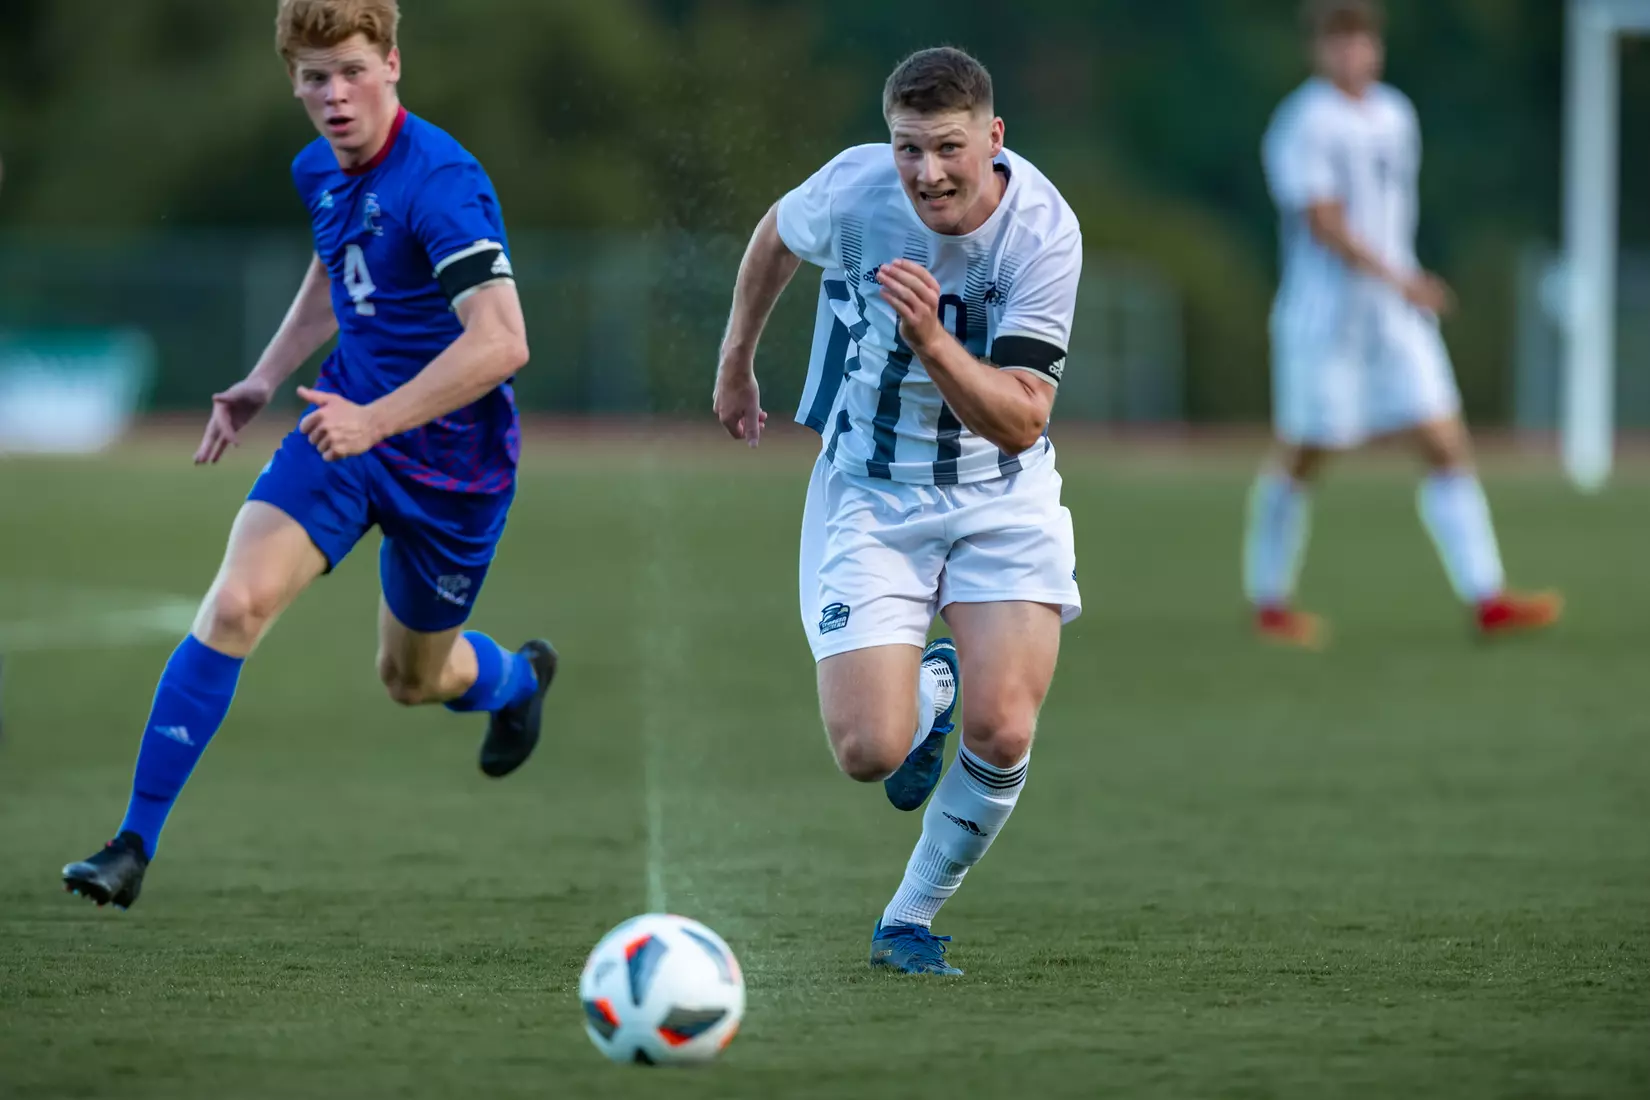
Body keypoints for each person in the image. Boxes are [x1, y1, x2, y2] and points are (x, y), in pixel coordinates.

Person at [62, 0, 555, 910]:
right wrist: (262, 377)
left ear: (394, 64)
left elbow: (502, 342)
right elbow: (338, 273)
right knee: (237, 602)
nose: (335, 97)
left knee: (411, 680)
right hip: (341, 433)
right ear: (293, 81)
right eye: (315, 79)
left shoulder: (442, 180)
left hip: (455, 468)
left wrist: (381, 421)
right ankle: (130, 844)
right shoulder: (316, 170)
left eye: (354, 72)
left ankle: (518, 679)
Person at [714, 47, 1082, 975]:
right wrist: (736, 358)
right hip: (871, 494)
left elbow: (1021, 418)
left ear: (993, 139)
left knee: (1005, 731)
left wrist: (928, 337)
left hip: (1000, 495)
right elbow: (774, 235)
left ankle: (907, 921)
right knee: (868, 749)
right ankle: (933, 689)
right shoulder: (854, 189)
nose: (926, 172)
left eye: (948, 148)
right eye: (908, 148)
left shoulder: (1043, 231)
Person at [1245, 0, 1561, 648]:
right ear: (1319, 51)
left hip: (1393, 320)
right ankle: (1270, 600)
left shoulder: (1396, 112)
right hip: (1324, 320)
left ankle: (1487, 598)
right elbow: (1325, 223)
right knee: (1308, 453)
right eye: (1338, 42)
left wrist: (1401, 286)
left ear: (1377, 47)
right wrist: (1404, 279)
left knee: (1446, 443)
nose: (1352, 53)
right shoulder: (1304, 122)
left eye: (1361, 40)